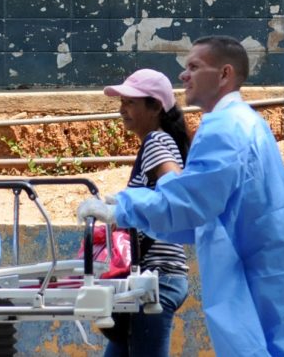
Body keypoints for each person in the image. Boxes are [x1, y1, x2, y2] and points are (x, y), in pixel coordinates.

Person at [77, 36, 284, 357]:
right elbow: (200, 216)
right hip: (259, 273)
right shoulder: (245, 124)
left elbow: (188, 203)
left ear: (224, 74)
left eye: (193, 66)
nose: (183, 76)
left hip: (247, 278)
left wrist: (124, 208)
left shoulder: (225, 128)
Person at [99, 68, 190, 357]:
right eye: (122, 102)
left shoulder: (156, 141)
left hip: (157, 279)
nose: (122, 110)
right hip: (149, 278)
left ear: (156, 107)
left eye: (131, 103)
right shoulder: (161, 141)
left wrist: (128, 206)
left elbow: (175, 187)